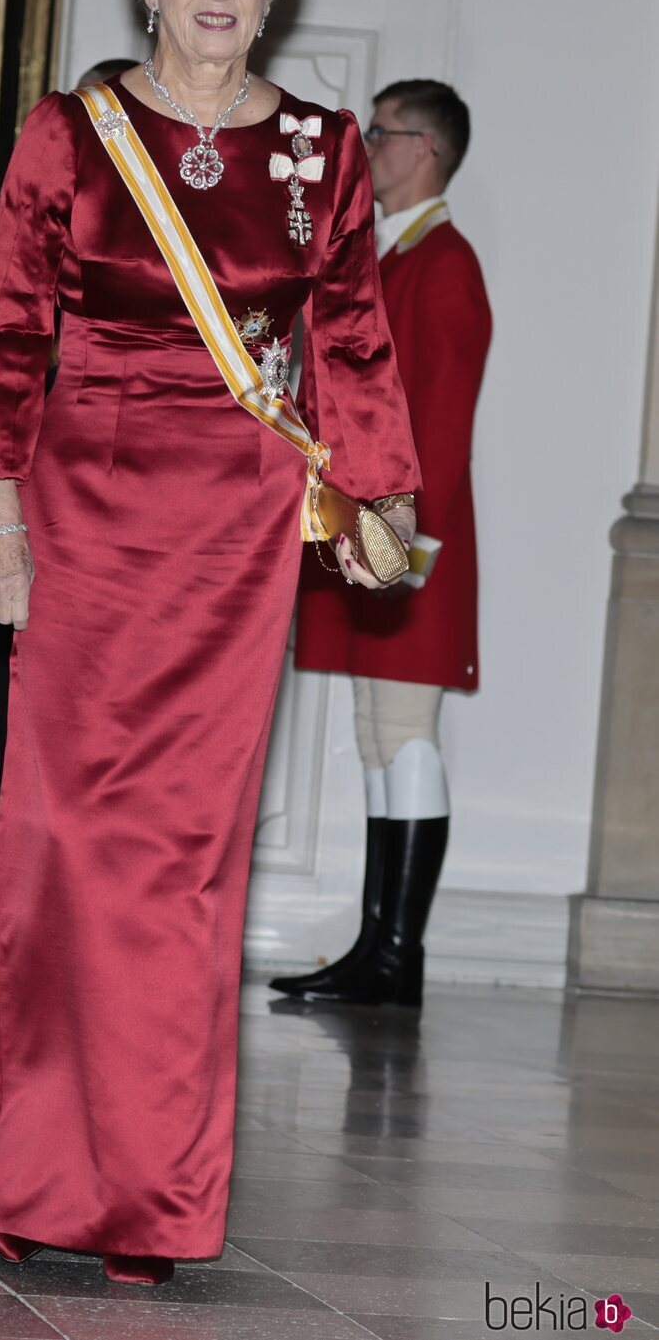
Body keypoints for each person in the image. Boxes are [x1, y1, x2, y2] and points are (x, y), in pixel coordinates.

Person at [0, 0, 418, 1285]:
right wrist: (1, 519)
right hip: (78, 513)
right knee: (61, 840)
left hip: (229, 534)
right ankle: (34, 1171)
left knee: (185, 864)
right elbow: (4, 335)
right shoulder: (68, 136)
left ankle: (149, 1193)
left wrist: (381, 498)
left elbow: (353, 340)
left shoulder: (321, 151)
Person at [272, 79, 492, 1009]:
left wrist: (404, 535)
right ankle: (379, 948)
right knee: (375, 733)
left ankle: (399, 956)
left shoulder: (445, 264)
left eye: (384, 130)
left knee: (404, 731)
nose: (366, 144)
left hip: (409, 538)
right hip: (377, 529)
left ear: (425, 150)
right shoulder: (391, 255)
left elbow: (439, 418)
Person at [0, 63, 137, 910]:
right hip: (18, 553)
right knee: (12, 774)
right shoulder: (19, 235)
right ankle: (10, 969)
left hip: (134, 555)